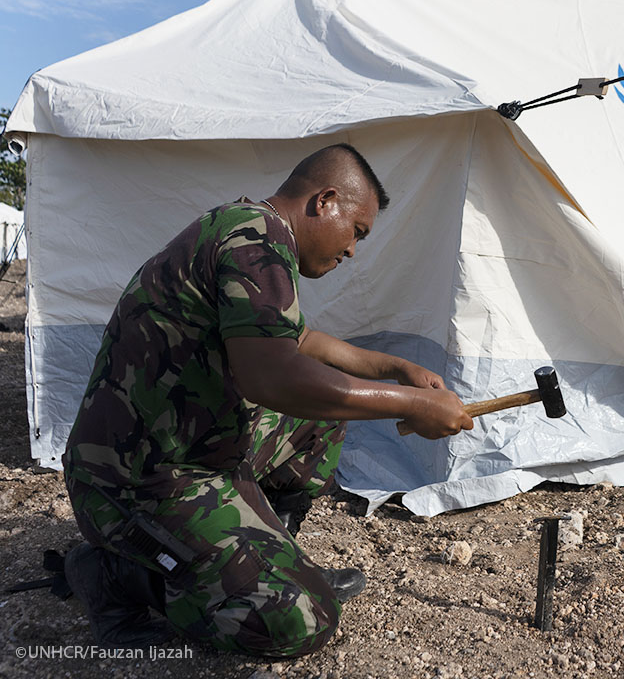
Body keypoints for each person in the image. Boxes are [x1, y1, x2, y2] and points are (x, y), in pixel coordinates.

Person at [61, 143, 474, 658]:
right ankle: (115, 575)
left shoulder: (252, 231)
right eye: (356, 232)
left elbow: (299, 344)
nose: (351, 251)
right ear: (325, 201)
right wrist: (408, 405)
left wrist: (398, 370)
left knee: (318, 418)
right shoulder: (255, 237)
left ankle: (270, 547)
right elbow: (272, 377)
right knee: (298, 619)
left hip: (189, 448)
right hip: (135, 480)